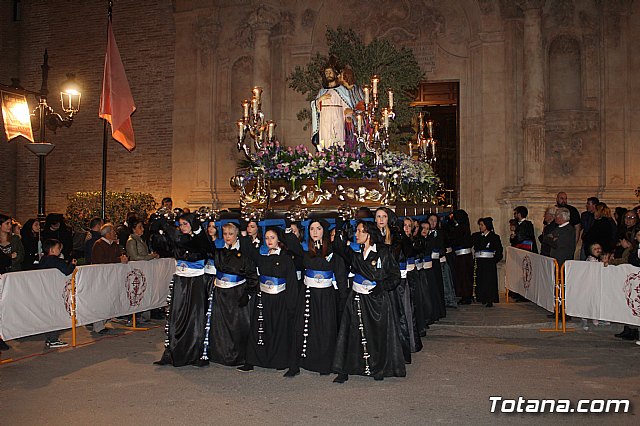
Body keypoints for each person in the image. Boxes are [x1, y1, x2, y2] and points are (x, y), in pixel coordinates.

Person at [332, 220, 405, 383]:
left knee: (377, 333)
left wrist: (383, 286)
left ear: (369, 235)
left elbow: (395, 276)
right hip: (356, 297)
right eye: (356, 231)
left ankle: (379, 368)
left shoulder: (383, 252)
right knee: (351, 334)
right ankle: (344, 370)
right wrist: (339, 227)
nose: (356, 234)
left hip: (376, 300)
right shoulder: (356, 252)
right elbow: (338, 247)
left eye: (360, 231)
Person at [284, 219, 348, 376]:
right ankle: (296, 365)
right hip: (308, 295)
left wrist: (343, 298)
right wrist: (288, 226)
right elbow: (293, 246)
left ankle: (324, 364)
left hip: (326, 296)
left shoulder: (333, 251)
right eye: (312, 228)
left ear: (324, 231)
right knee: (301, 328)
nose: (314, 231)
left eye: (318, 228)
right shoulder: (306, 250)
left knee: (325, 330)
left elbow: (340, 275)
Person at [156, 213, 212, 367]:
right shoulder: (178, 238)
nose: (182, 227)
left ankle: (195, 353)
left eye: (185, 224)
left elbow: (203, 247)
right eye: (180, 224)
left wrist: (171, 230)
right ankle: (172, 351)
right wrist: (161, 233)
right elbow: (166, 248)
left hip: (196, 282)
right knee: (176, 315)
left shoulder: (199, 239)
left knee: (195, 316)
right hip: (181, 281)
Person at [240, 227, 298, 372]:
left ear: (279, 239)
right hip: (263, 298)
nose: (269, 241)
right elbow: (248, 252)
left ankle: (278, 360)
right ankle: (252, 361)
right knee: (258, 329)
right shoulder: (262, 257)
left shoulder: (286, 259)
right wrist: (245, 235)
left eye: (272, 237)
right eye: (266, 238)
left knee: (278, 329)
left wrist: (291, 305)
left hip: (280, 299)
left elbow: (291, 283)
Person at [207, 223, 258, 366]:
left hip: (236, 293)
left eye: (230, 234)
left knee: (235, 325)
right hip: (220, 293)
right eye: (225, 234)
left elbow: (252, 277)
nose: (227, 237)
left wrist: (247, 294)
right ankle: (220, 355)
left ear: (236, 235)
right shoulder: (219, 252)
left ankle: (237, 356)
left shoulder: (244, 255)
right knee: (219, 325)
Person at [38, 238, 76, 348]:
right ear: (52, 250)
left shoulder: (43, 260)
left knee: (48, 315)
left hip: (44, 291)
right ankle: (53, 339)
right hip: (54, 291)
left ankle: (49, 338)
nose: (59, 251)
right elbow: (67, 271)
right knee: (55, 314)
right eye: (58, 248)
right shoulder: (56, 260)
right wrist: (72, 264)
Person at [91, 223, 129, 335]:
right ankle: (97, 325)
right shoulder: (98, 245)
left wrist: (123, 258)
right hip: (101, 278)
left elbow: (116, 256)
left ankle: (105, 321)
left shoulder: (113, 245)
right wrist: (118, 260)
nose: (115, 233)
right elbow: (100, 260)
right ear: (107, 234)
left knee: (110, 299)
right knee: (101, 300)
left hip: (112, 278)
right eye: (113, 231)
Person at [310, 57, 355, 150]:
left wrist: (349, 116)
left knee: (337, 140)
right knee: (325, 141)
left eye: (330, 72)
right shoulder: (322, 92)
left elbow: (348, 106)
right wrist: (320, 99)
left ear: (335, 73)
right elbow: (314, 107)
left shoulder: (342, 90)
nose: (328, 75)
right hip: (324, 120)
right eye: (326, 73)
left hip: (337, 118)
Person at [472, 217, 503, 307]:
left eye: (482, 225)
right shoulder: (477, 236)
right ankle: (482, 297)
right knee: (480, 280)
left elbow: (499, 251)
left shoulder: (494, 237)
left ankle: (490, 299)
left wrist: (494, 261)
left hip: (489, 263)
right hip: (479, 262)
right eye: (479, 225)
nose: (480, 227)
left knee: (489, 281)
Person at [428, 213, 457, 308]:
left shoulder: (440, 233)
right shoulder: (425, 232)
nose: (432, 222)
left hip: (440, 261)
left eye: (435, 220)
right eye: (431, 220)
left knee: (445, 282)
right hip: (429, 262)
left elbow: (443, 246)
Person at [449, 210, 474, 304]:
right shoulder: (464, 226)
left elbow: (454, 238)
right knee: (465, 276)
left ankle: (466, 296)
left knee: (464, 276)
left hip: (462, 256)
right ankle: (467, 295)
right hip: (464, 255)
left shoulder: (461, 228)